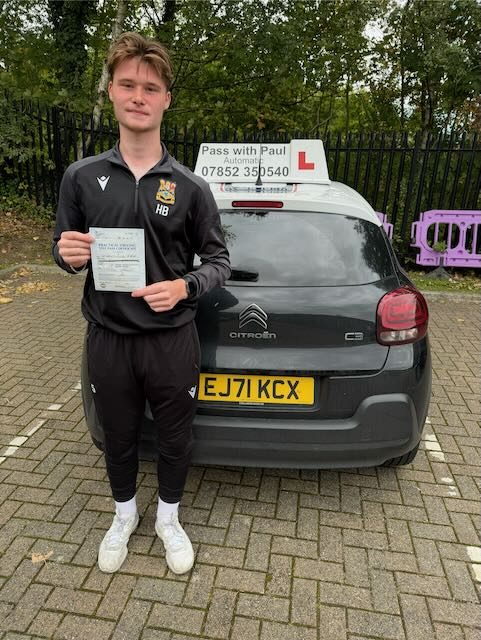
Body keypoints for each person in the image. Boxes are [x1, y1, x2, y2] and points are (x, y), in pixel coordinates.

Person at [52, 32, 231, 575]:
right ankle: (124, 515)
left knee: (175, 438)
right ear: (110, 90)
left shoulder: (190, 186)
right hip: (109, 337)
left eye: (150, 88)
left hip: (172, 339)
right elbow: (64, 249)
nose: (138, 96)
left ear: (166, 100)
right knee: (118, 436)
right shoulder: (81, 177)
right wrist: (65, 255)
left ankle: (168, 519)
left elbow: (218, 261)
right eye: (127, 84)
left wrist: (184, 287)